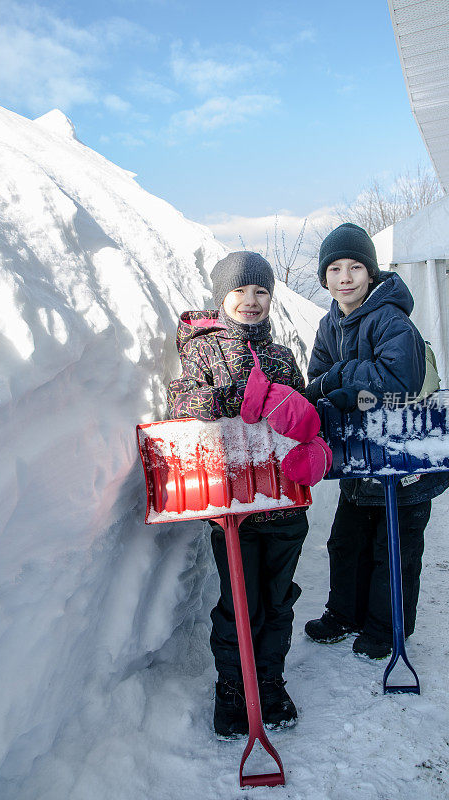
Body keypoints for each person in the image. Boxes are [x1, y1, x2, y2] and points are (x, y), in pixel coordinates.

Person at [167, 251, 310, 738]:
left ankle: (269, 681)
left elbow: (303, 413)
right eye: (240, 291)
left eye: (261, 291)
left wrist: (297, 410)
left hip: (285, 499)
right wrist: (230, 399)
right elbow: (184, 400)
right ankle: (233, 687)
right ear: (221, 297)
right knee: (240, 602)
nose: (251, 301)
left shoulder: (282, 355)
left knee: (279, 599)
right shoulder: (205, 351)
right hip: (235, 505)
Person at [304, 223, 449, 659]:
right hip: (361, 457)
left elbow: (401, 379)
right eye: (334, 268)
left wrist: (345, 379)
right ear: (325, 277)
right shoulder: (329, 324)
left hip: (405, 456)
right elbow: (318, 380)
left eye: (355, 267)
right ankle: (345, 613)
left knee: (395, 548)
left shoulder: (392, 319)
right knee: (346, 542)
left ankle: (387, 628)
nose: (344, 277)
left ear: (370, 273)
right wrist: (331, 384)